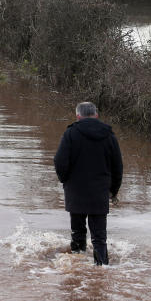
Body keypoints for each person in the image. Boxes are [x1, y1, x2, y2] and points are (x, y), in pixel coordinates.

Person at [54, 101, 123, 266]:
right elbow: (118, 166)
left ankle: (78, 268)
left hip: (75, 192)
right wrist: (113, 190)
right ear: (96, 115)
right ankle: (102, 270)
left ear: (78, 116)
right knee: (99, 237)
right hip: (99, 193)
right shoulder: (109, 135)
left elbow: (59, 161)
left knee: (77, 233)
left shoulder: (70, 134)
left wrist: (65, 181)